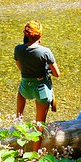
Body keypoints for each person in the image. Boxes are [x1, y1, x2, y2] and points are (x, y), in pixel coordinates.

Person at [14, 21, 60, 151]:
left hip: (26, 88)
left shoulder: (18, 49)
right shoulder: (45, 51)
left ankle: (19, 118)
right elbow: (57, 74)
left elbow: (20, 68)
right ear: (39, 36)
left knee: (20, 90)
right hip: (41, 90)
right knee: (39, 124)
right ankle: (35, 154)